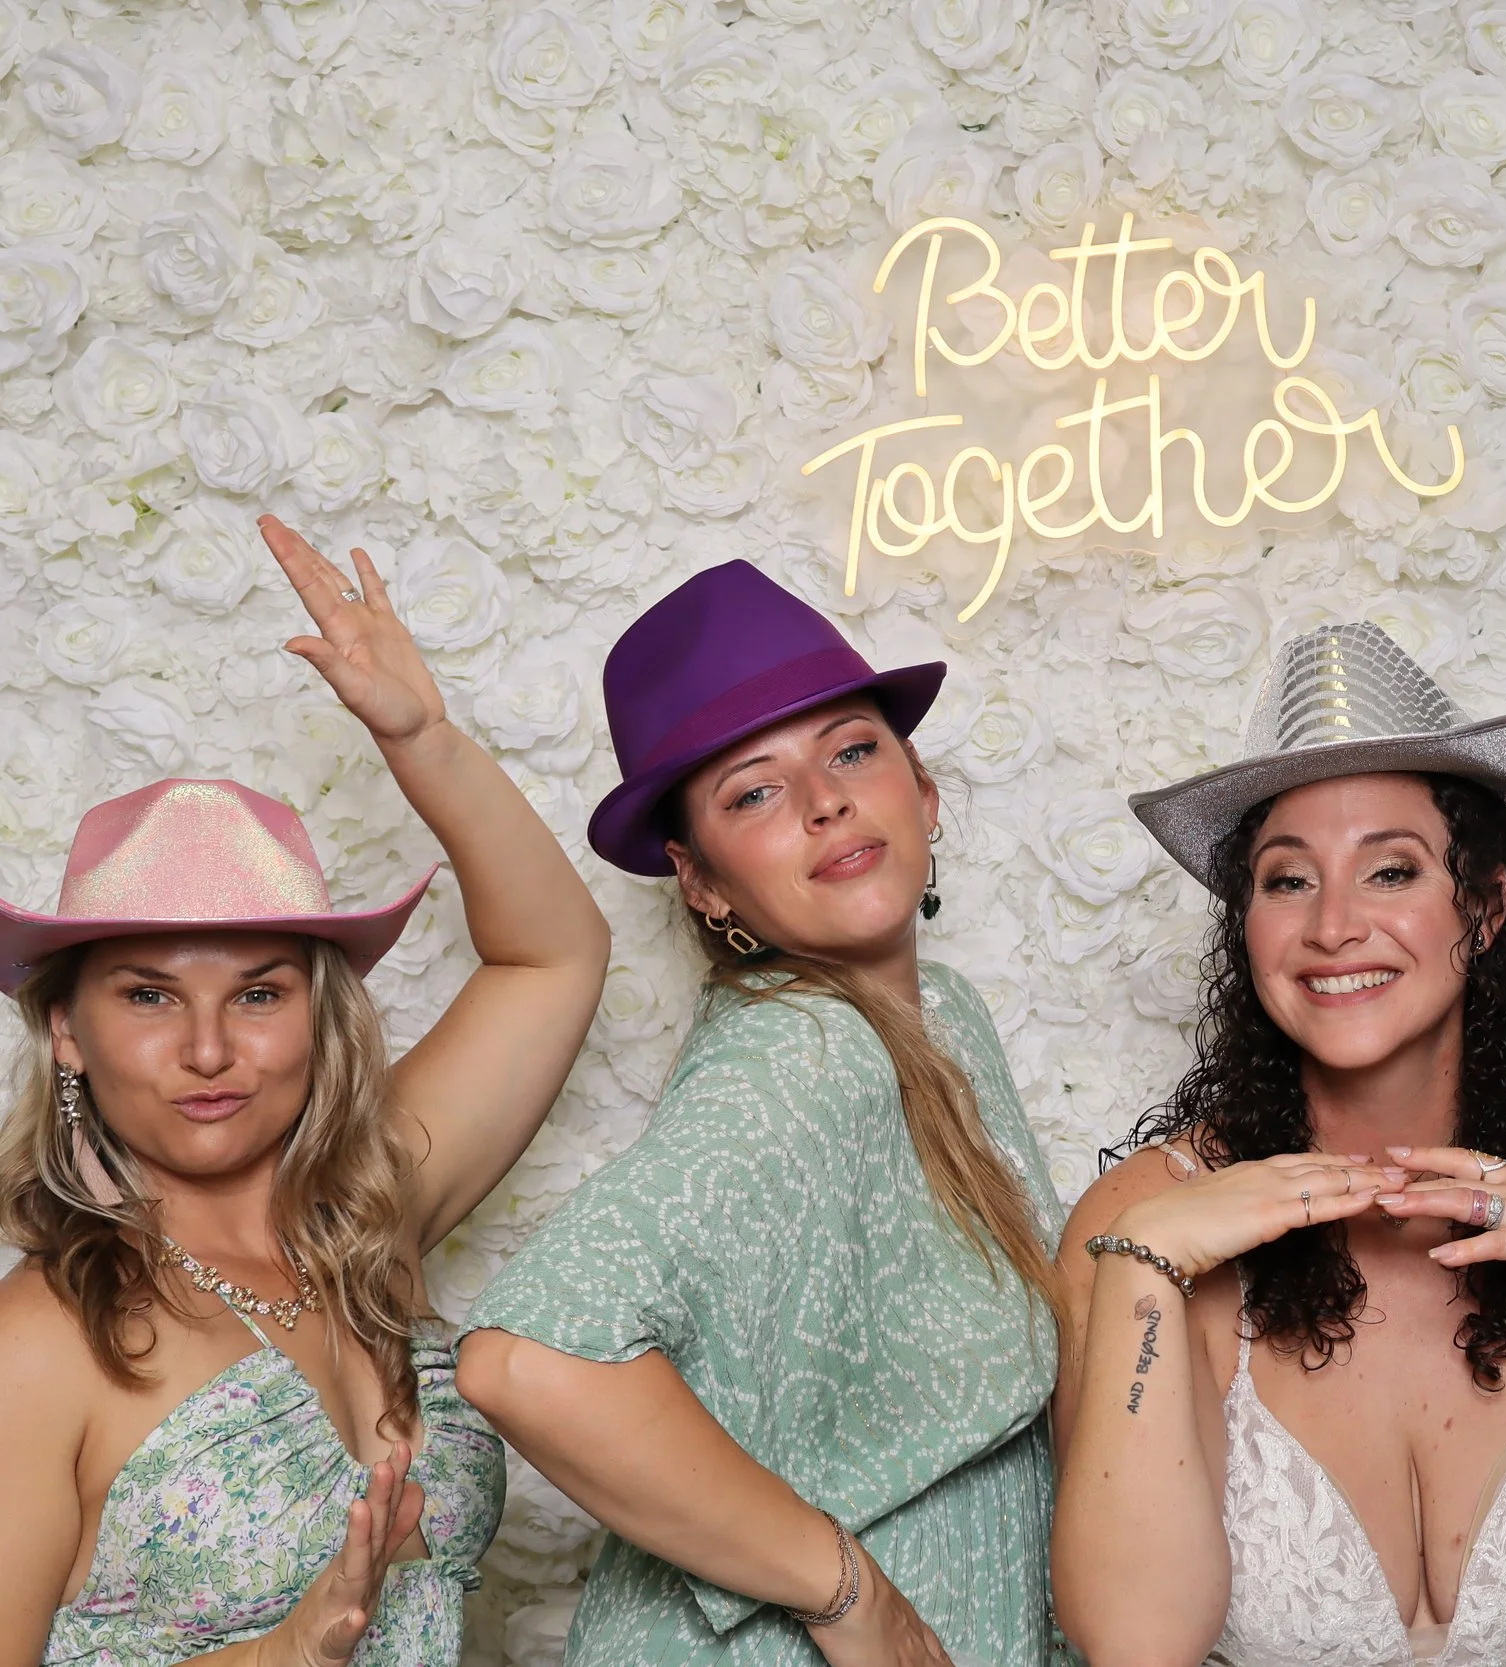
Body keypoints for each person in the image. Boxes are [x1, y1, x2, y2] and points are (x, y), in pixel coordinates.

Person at [1053, 622, 1506, 1667]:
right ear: (1246, 923)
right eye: (1287, 879)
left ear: (1483, 907)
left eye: (1390, 872)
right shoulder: (1145, 1218)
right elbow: (1133, 1642)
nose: (1334, 925)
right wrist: (1143, 1273)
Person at [0, 519, 610, 1666]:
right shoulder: (41, 1341)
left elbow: (558, 954)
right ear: (65, 1030)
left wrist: (421, 736)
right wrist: (280, 1652)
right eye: (146, 996)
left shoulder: (371, 1220)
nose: (210, 1047)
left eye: (261, 993)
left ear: (318, 1017)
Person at [455, 561, 1064, 1667]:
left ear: (921, 791)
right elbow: (526, 1357)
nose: (824, 799)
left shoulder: (942, 1016)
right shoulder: (803, 1050)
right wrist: (844, 1590)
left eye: (851, 748)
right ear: (702, 883)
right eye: (753, 790)